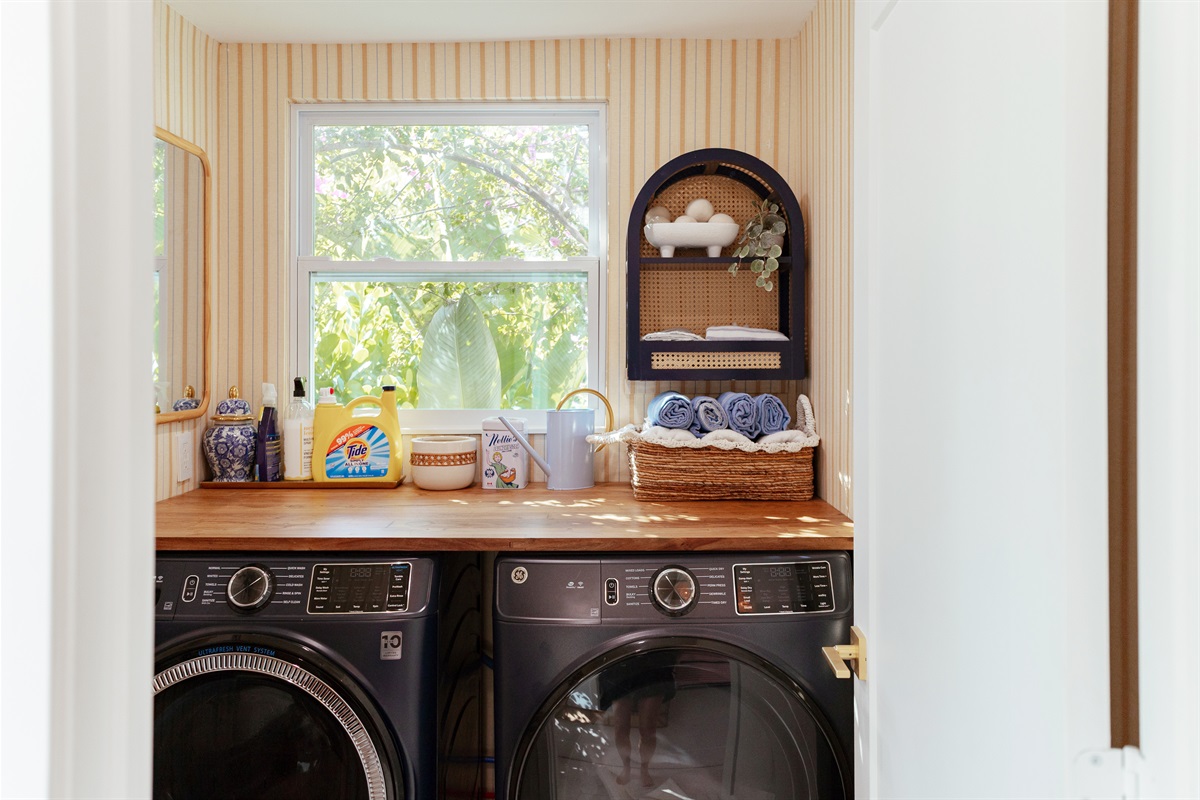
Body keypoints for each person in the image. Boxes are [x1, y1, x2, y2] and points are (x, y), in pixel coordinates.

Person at [597, 651, 677, 788]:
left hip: (653, 663)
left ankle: (644, 769)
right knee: (620, 728)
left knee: (648, 729)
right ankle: (626, 768)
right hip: (621, 663)